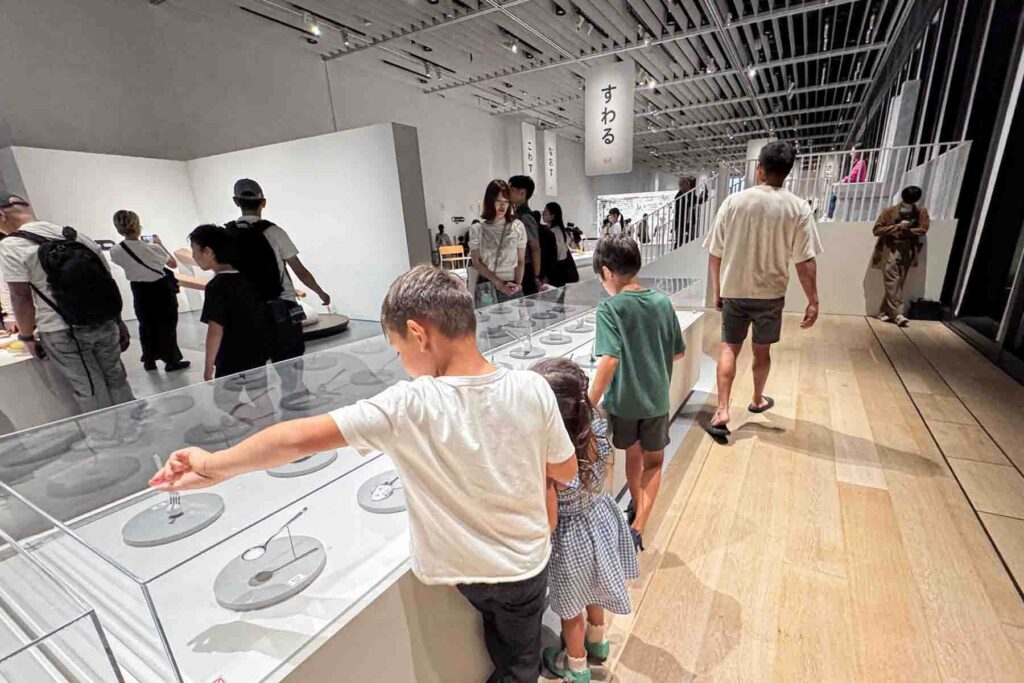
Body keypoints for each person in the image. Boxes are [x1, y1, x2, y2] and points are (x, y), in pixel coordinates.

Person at [150, 265, 578, 683]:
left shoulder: (406, 405)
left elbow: (295, 439)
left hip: (460, 572)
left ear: (418, 334)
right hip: (522, 568)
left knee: (496, 635)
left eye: (398, 350)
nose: (401, 361)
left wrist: (212, 465)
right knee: (519, 655)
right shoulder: (532, 388)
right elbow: (566, 469)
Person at [703, 141, 822, 438]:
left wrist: (717, 291)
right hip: (771, 294)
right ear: (787, 173)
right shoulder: (798, 207)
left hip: (735, 290)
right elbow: (805, 260)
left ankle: (722, 411)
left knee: (729, 347)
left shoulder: (733, 202)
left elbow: (715, 254)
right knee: (762, 350)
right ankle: (756, 400)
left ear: (759, 169)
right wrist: (813, 300)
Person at [535, 358, 639, 683]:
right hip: (601, 518)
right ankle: (599, 644)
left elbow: (548, 506)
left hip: (569, 537)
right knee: (594, 591)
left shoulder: (548, 454)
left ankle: (576, 667)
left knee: (570, 610)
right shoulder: (594, 429)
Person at [588, 235, 685, 552]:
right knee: (654, 462)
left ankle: (635, 504)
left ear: (606, 271)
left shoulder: (609, 308)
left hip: (624, 403)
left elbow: (609, 359)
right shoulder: (662, 303)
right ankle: (639, 524)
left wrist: (588, 404)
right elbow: (677, 354)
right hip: (656, 399)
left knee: (632, 454)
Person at [0, 191, 135, 413]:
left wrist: (26, 335)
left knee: (89, 387)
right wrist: (118, 321)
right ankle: (133, 428)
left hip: (61, 329)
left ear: (2, 215)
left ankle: (108, 438)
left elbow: (20, 296)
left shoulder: (12, 245)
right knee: (116, 376)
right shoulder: (75, 236)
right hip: (104, 320)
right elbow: (106, 281)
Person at [225, 179, 331, 364]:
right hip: (281, 306)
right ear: (263, 202)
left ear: (236, 201)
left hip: (246, 309)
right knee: (289, 360)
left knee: (256, 365)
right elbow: (300, 271)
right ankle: (293, 392)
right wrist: (321, 293)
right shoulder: (274, 232)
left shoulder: (227, 234)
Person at [108, 210, 189, 373]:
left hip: (139, 290)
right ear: (138, 225)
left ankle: (149, 359)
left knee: (146, 324)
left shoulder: (115, 251)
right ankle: (171, 360)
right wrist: (160, 244)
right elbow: (172, 264)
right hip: (160, 288)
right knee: (167, 324)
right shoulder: (152, 248)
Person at [188, 224, 271, 381]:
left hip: (231, 358)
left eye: (194, 250)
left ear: (208, 251)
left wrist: (208, 367)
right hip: (257, 352)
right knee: (260, 395)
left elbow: (215, 330)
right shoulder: (248, 279)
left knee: (226, 400)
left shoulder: (217, 287)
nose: (193, 256)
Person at [872, 186, 930, 327]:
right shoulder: (889, 212)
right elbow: (877, 230)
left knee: (898, 283)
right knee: (892, 281)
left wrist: (907, 231)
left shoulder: (920, 212)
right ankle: (898, 314)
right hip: (890, 249)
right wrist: (897, 227)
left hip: (909, 250)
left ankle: (884, 312)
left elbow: (923, 229)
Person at [469, 179, 527, 307]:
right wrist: (499, 284)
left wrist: (518, 284)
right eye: (498, 201)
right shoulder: (477, 229)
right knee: (490, 326)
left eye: (506, 202)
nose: (502, 206)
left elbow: (521, 260)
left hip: (512, 288)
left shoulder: (517, 227)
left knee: (516, 325)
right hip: (487, 288)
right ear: (490, 202)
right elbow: (477, 262)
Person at [509, 175, 543, 296]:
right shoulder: (516, 215)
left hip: (526, 269)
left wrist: (536, 275)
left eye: (511, 189)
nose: (508, 192)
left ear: (522, 193)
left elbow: (535, 247)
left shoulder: (525, 217)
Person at [542, 202, 579, 288]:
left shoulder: (555, 232)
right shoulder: (560, 230)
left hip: (556, 272)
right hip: (558, 271)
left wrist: (548, 274)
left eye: (545, 211)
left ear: (553, 216)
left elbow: (559, 255)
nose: (543, 213)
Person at [827, 148, 868, 219]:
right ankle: (829, 215)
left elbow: (853, 177)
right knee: (834, 192)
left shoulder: (861, 163)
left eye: (852, 151)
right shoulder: (860, 163)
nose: (850, 154)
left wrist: (842, 181)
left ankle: (829, 215)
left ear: (857, 153)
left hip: (855, 186)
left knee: (833, 194)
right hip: (854, 185)